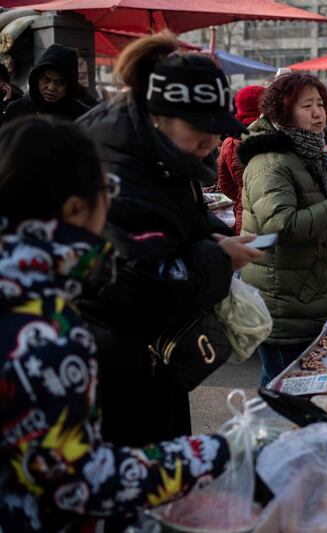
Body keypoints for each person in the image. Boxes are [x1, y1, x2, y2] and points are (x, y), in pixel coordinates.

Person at [0, 116, 231, 531]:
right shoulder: (43, 331)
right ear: (75, 209)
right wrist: (217, 453)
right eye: (107, 191)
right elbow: (79, 481)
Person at [76, 32, 263, 447]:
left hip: (150, 357)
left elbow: (180, 218)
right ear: (159, 113)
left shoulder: (159, 149)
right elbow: (131, 284)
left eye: (218, 131)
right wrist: (217, 260)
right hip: (110, 366)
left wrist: (216, 238)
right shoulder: (114, 166)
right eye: (201, 130)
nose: (213, 142)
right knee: (139, 473)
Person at [237, 72, 327, 386]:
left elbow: (312, 214)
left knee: (295, 384)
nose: (317, 113)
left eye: (321, 105)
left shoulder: (310, 155)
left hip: (304, 294)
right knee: (283, 386)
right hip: (284, 302)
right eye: (306, 106)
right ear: (283, 112)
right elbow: (282, 226)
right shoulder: (270, 162)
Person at [217, 85, 266, 234]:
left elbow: (225, 184)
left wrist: (241, 194)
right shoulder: (275, 134)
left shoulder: (230, 142)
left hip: (245, 217)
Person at [2, 44, 90, 124]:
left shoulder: (83, 116)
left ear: (69, 85)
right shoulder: (16, 109)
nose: (51, 88)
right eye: (46, 79)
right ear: (37, 79)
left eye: (60, 83)